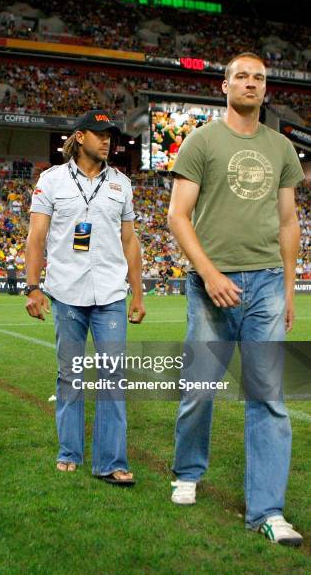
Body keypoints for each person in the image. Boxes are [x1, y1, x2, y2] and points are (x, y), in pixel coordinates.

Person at [167, 52, 304, 545]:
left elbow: (289, 223)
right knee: (200, 388)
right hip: (211, 286)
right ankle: (187, 470)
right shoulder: (201, 141)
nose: (251, 83)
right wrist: (210, 274)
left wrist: (288, 289)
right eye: (242, 76)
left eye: (259, 78)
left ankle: (268, 510)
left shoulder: (282, 149)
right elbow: (177, 216)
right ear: (224, 86)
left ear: (267, 90)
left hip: (267, 283)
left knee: (268, 397)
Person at [25, 109, 145, 484]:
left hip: (110, 292)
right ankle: (69, 452)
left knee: (113, 379)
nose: (107, 140)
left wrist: (138, 294)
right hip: (66, 292)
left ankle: (111, 462)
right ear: (79, 137)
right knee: (70, 377)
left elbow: (129, 240)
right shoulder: (51, 180)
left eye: (110, 134)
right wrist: (32, 287)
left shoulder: (121, 184)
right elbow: (36, 237)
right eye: (98, 134)